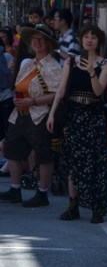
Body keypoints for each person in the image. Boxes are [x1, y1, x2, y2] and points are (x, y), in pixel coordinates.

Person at [47, 25, 107, 223]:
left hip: (94, 116)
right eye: (86, 36)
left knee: (95, 163)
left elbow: (99, 91)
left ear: (99, 41)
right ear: (81, 40)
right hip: (74, 116)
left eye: (93, 37)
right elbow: (60, 91)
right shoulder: (71, 62)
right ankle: (73, 205)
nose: (89, 40)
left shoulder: (106, 63)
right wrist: (51, 115)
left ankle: (96, 208)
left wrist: (92, 71)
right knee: (74, 163)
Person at [0, 24, 61, 206]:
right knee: (11, 149)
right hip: (20, 113)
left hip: (39, 114)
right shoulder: (30, 63)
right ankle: (15, 188)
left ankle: (42, 193)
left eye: (42, 40)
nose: (37, 43)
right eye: (35, 39)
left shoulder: (53, 65)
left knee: (43, 153)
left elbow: (57, 94)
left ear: (49, 43)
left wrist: (32, 101)